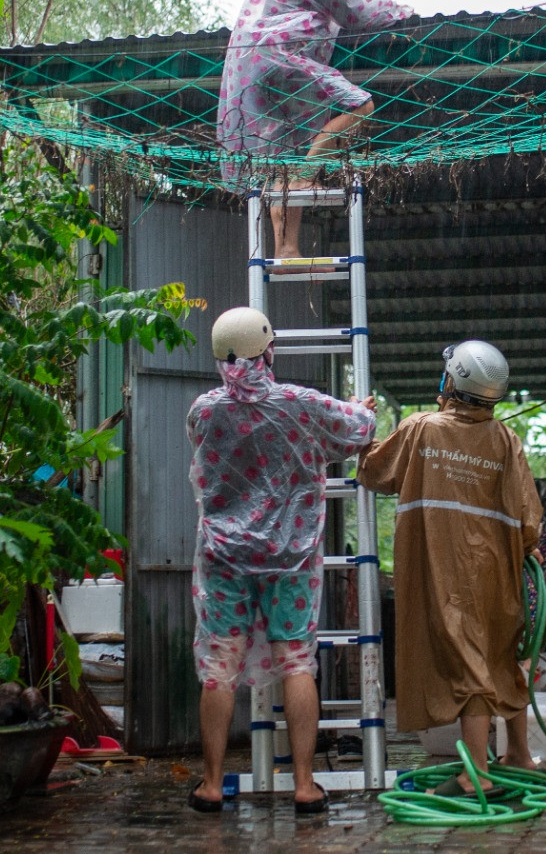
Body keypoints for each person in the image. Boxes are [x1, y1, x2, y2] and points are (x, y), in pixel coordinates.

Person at [186, 306, 377, 815]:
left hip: (224, 558)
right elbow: (359, 429)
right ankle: (305, 784)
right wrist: (361, 406)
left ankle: (209, 783)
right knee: (297, 663)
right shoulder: (299, 404)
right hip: (289, 559)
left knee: (218, 669)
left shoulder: (204, 410)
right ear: (269, 349)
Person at [357, 341, 542, 795]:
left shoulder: (422, 428)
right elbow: (528, 516)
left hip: (444, 567)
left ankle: (475, 773)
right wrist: (527, 547)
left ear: (451, 382)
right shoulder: (505, 439)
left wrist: (362, 433)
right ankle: (518, 753)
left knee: (469, 664)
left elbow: (374, 473)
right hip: (497, 571)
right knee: (499, 651)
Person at [216, 0, 413, 261]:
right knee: (361, 106)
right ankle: (310, 172)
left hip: (255, 64)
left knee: (285, 157)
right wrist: (398, 10)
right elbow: (356, 14)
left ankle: (287, 249)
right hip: (278, 55)